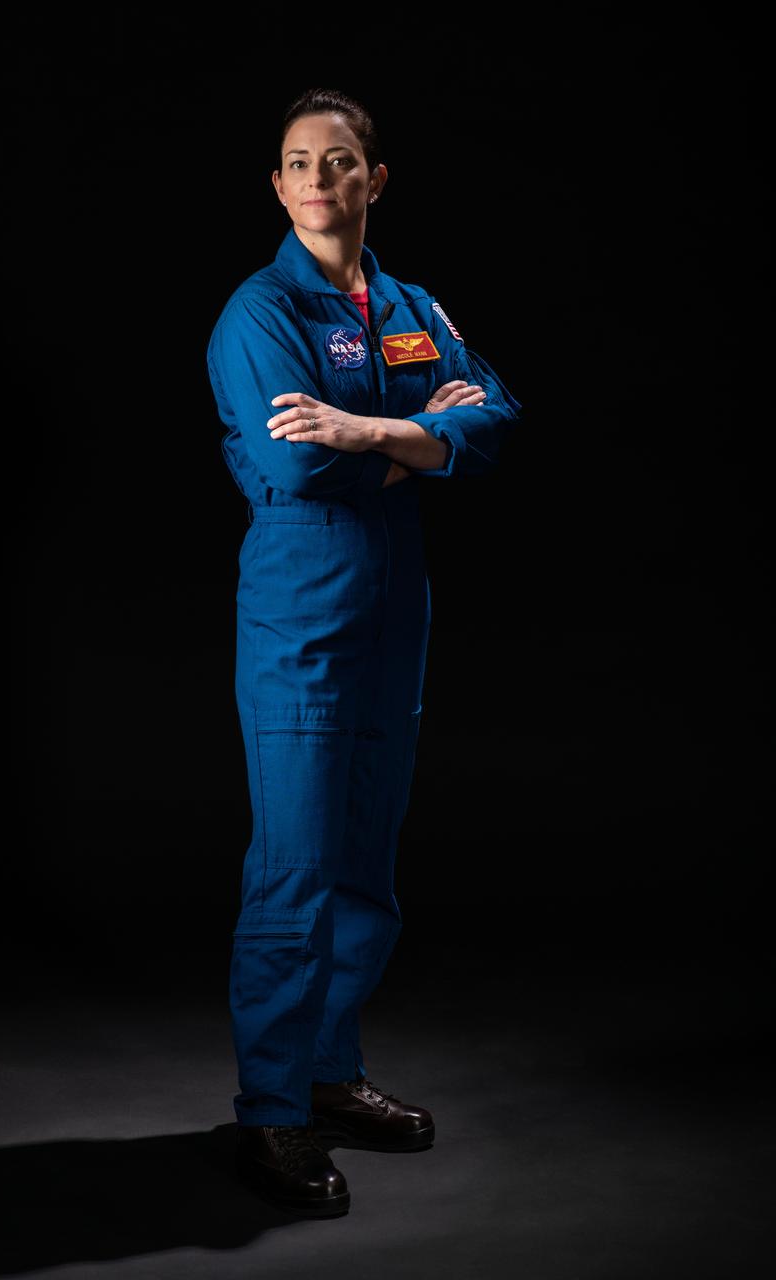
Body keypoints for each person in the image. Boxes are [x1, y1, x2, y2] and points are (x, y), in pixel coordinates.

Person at [206, 87, 522, 1217]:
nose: (317, 181)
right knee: (295, 866)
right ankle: (272, 1114)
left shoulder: (405, 301)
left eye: (338, 163)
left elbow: (497, 414)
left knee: (363, 863)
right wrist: (419, 442)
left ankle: (329, 1073)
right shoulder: (259, 314)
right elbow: (293, 470)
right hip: (304, 609)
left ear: (371, 182)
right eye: (296, 163)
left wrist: (374, 432)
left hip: (394, 610)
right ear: (279, 185)